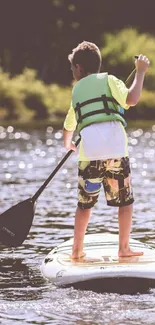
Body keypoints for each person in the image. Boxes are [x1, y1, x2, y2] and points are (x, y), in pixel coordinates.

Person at [63, 41, 150, 259]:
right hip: (116, 150)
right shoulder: (110, 80)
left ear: (80, 68)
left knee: (84, 205)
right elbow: (132, 98)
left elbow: (69, 124)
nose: (73, 72)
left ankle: (76, 250)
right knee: (125, 202)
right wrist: (140, 73)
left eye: (73, 68)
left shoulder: (76, 90)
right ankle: (123, 249)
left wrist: (68, 143)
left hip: (89, 153)